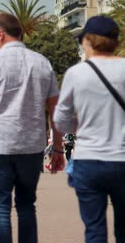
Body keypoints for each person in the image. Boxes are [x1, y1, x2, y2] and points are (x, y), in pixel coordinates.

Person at [0, 12, 65, 243]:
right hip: (31, 146)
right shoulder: (42, 62)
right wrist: (57, 147)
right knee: (26, 206)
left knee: (1, 207)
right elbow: (55, 109)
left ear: (0, 34)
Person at [53, 15, 125, 243]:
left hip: (89, 160)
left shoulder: (77, 73)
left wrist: (78, 126)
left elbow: (60, 118)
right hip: (123, 159)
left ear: (88, 41)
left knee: (94, 230)